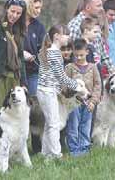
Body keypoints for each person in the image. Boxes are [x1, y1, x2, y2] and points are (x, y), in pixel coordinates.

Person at [36, 24, 84, 159]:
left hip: (46, 90)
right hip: (48, 91)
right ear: (57, 37)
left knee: (49, 123)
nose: (68, 37)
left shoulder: (51, 51)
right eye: (66, 35)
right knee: (54, 124)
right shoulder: (54, 53)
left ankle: (46, 153)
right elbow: (61, 76)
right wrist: (76, 86)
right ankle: (56, 154)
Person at [0, 0, 27, 118]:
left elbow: (20, 59)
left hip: (14, 77)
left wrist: (24, 82)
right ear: (6, 10)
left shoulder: (19, 31)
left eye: (18, 13)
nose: (14, 15)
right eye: (12, 11)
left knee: (13, 114)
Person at [66, 38, 101, 157]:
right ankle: (74, 149)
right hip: (73, 103)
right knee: (73, 125)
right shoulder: (70, 68)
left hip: (88, 102)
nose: (79, 58)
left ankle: (84, 147)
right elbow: (65, 85)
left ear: (87, 52)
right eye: (76, 55)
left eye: (81, 55)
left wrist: (93, 101)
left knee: (86, 124)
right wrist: (71, 93)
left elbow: (97, 85)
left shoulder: (93, 67)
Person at [22, 0, 46, 96]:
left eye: (40, 8)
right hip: (16, 71)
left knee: (33, 102)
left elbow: (44, 49)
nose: (39, 11)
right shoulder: (15, 22)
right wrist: (21, 53)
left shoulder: (39, 27)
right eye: (36, 7)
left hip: (33, 72)